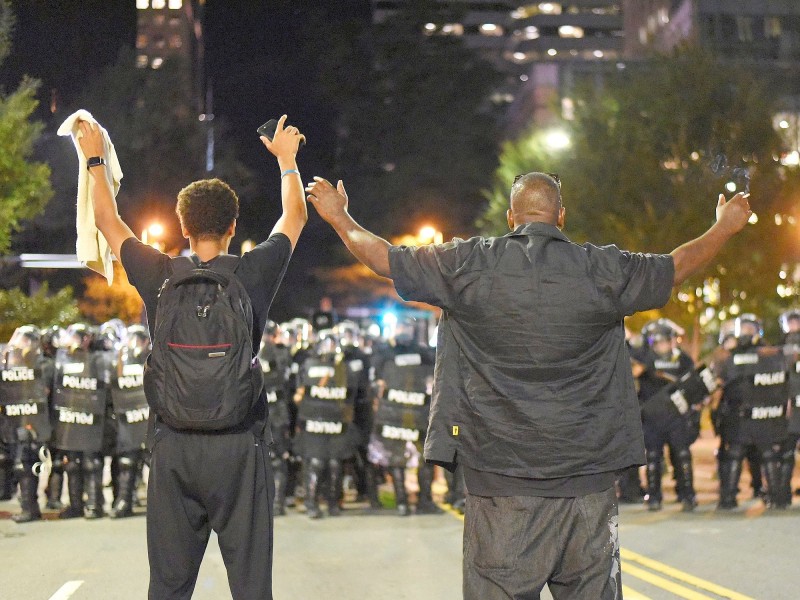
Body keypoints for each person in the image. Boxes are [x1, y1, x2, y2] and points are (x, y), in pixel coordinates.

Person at [305, 172, 751, 599]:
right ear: (561, 217)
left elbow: (384, 258)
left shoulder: (467, 263)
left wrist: (339, 216)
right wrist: (725, 228)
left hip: (499, 480)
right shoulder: (601, 268)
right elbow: (675, 267)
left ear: (510, 218)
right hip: (587, 479)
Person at [74, 115, 306, 599]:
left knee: (169, 586)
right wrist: (287, 161)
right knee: (250, 586)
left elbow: (107, 221)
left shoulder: (159, 272)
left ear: (182, 226)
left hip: (174, 445)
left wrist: (95, 158)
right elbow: (294, 217)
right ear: (232, 227)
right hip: (239, 446)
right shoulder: (250, 274)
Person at [715, 314, 790, 510]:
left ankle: (775, 497)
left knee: (768, 454)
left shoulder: (768, 353)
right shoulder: (729, 355)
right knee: (734, 454)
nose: (748, 333)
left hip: (763, 415)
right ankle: (728, 498)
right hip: (738, 414)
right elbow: (720, 380)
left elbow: (781, 382)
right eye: (744, 329)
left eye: (751, 329)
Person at [637, 319, 697, 511]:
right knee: (653, 456)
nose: (663, 346)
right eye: (658, 342)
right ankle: (654, 496)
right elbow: (632, 373)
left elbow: (693, 384)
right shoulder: (643, 359)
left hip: (676, 416)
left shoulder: (683, 360)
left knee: (682, 455)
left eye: (666, 341)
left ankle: (687, 494)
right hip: (652, 416)